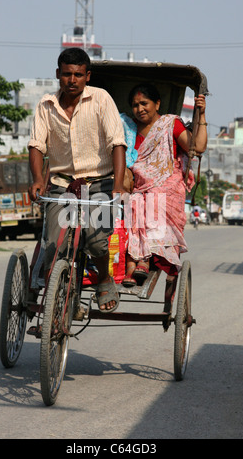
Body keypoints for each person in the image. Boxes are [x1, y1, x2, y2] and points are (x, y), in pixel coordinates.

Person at [28, 48, 127, 313]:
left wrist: (118, 184)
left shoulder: (101, 99)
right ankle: (64, 297)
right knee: (53, 244)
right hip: (61, 183)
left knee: (96, 241)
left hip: (99, 181)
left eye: (79, 75)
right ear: (58, 74)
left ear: (87, 76)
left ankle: (104, 279)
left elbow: (118, 142)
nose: (73, 80)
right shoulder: (45, 105)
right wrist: (38, 179)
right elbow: (36, 145)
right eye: (68, 74)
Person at [121, 83, 207, 315]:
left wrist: (202, 114)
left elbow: (197, 147)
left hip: (168, 188)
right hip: (139, 187)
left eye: (144, 104)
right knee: (133, 202)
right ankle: (132, 264)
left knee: (150, 201)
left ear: (157, 104)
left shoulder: (170, 124)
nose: (139, 109)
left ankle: (142, 261)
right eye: (135, 105)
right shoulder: (128, 130)